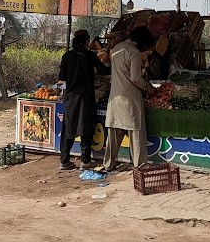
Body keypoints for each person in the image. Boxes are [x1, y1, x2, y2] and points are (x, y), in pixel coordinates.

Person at [101, 25, 156, 172]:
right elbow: (135, 78)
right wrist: (147, 86)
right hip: (130, 97)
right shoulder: (134, 53)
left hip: (115, 97)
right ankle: (140, 164)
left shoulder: (117, 48)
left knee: (114, 133)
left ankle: (108, 163)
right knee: (136, 131)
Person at [58, 29, 110, 171]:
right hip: (86, 96)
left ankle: (64, 161)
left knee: (69, 127)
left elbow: (62, 77)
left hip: (70, 97)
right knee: (85, 127)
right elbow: (103, 70)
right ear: (86, 41)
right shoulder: (89, 55)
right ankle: (85, 161)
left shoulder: (67, 56)